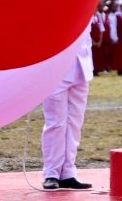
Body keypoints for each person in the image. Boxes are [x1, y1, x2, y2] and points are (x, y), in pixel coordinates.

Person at [41, 29, 93, 190]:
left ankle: (68, 173)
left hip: (82, 67)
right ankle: (51, 173)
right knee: (56, 123)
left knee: (74, 124)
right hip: (55, 70)